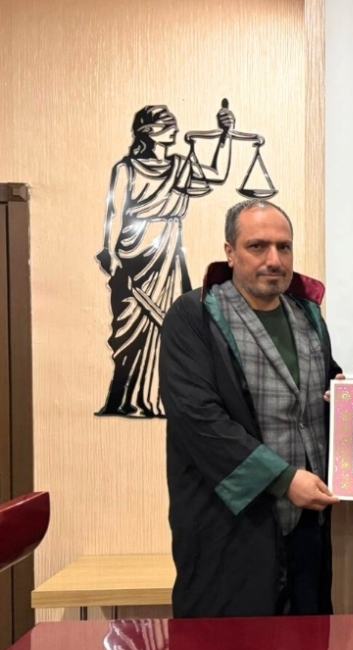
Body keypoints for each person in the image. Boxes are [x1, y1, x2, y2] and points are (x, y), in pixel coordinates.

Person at [160, 201, 343, 618]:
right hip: (231, 527)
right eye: (257, 246)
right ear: (230, 252)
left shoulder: (307, 316)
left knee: (307, 647)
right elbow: (197, 418)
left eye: (284, 247)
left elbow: (329, 388)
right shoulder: (196, 316)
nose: (274, 260)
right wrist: (282, 478)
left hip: (307, 526)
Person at [96, 103, 235, 418]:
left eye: (173, 123)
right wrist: (110, 254)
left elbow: (217, 174)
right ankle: (130, 399)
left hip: (169, 254)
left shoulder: (180, 166)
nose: (173, 129)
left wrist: (225, 135)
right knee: (132, 327)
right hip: (135, 254)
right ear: (148, 132)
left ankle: (165, 399)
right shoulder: (126, 169)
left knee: (173, 327)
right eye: (166, 124)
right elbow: (115, 212)